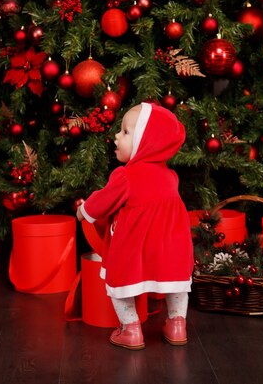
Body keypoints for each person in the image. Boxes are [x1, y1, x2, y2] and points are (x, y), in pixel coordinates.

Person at [77, 102, 193, 350]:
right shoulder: (171, 177)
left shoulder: (125, 176)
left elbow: (102, 201)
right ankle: (176, 324)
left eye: (126, 132)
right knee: (175, 282)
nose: (117, 137)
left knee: (121, 283)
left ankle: (130, 329)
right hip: (171, 244)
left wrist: (83, 211)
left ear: (146, 143)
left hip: (135, 246)